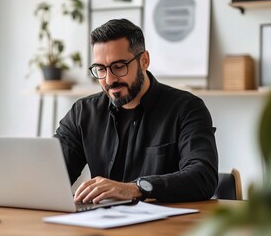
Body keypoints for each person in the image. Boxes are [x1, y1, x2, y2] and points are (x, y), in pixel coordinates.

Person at [54, 18, 218, 204]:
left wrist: (136, 188)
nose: (109, 80)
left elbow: (203, 177)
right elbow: (51, 175)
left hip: (163, 228)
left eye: (119, 67)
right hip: (99, 225)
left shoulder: (187, 108)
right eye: (101, 69)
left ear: (144, 61)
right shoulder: (83, 112)